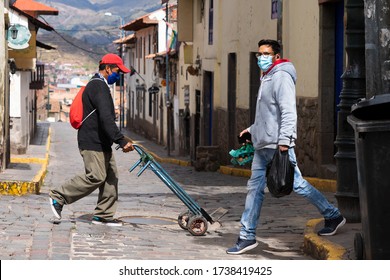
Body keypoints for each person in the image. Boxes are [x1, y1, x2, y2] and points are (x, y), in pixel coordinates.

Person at [226, 39, 345, 254]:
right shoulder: (267, 77)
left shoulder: (281, 76)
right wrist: (252, 130)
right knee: (254, 189)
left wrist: (284, 142)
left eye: (266, 54)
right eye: (259, 54)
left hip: (277, 145)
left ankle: (333, 215)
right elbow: (267, 114)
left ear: (276, 56)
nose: (261, 58)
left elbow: (289, 111)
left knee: (296, 184)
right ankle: (247, 236)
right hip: (263, 146)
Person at [49, 53, 134, 227]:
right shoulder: (98, 86)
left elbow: (104, 117)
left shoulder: (101, 85)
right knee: (96, 176)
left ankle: (103, 215)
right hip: (92, 140)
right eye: (117, 71)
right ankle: (58, 197)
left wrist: (116, 138)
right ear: (108, 68)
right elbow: (105, 118)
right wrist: (120, 140)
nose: (119, 76)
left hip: (102, 141)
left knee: (111, 177)